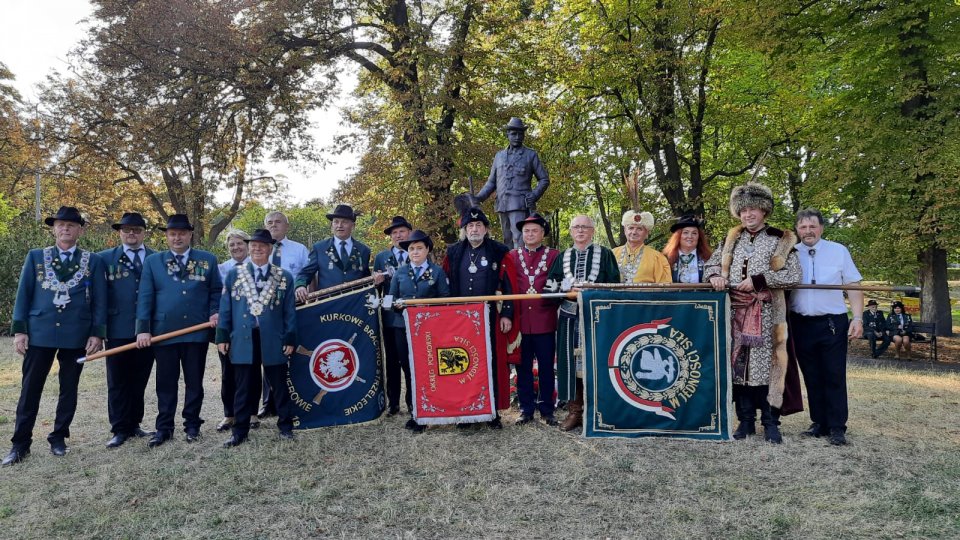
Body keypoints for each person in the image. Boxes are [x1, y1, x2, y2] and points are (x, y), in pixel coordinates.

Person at [3, 206, 107, 466]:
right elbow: (24, 294)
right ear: (53, 229)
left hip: (76, 334)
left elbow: (100, 301)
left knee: (68, 388)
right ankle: (20, 444)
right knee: (30, 389)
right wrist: (20, 330)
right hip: (40, 332)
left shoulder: (93, 261)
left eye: (71, 225)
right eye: (60, 224)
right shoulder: (37, 257)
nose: (65, 228)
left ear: (80, 230)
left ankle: (59, 437)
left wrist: (97, 333)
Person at [704, 182, 801, 444]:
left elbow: (793, 275)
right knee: (739, 367)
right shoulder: (730, 239)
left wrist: (760, 280)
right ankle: (745, 420)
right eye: (744, 210)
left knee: (767, 367)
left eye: (754, 210)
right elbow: (711, 264)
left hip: (768, 314)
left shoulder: (782, 239)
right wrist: (715, 276)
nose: (749, 215)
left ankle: (770, 422)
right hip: (734, 313)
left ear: (764, 211)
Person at [136, 214, 222, 447]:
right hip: (164, 332)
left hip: (196, 331)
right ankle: (164, 428)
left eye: (182, 233)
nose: (177, 238)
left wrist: (215, 311)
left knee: (194, 381)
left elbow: (216, 290)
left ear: (190, 235)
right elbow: (145, 297)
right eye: (173, 234)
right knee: (165, 382)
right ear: (166, 236)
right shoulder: (153, 262)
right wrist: (143, 329)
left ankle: (192, 425)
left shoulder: (207, 260)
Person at [789, 208, 864, 446]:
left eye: (812, 226)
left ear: (821, 228)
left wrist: (858, 318)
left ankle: (836, 426)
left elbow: (853, 284)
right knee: (811, 375)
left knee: (833, 375)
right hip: (801, 323)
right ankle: (819, 422)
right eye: (803, 227)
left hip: (832, 323)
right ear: (797, 229)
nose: (808, 231)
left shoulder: (838, 251)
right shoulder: (791, 253)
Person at [216, 229, 297, 447]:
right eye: (253, 245)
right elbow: (225, 307)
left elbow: (289, 311)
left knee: (279, 385)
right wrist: (222, 335)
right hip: (244, 337)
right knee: (243, 386)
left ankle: (286, 426)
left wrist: (290, 338)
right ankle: (239, 431)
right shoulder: (235, 274)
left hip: (273, 338)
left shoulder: (283, 276)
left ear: (270, 249)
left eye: (262, 245)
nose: (257, 248)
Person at [544, 215, 621, 432]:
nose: (580, 231)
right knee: (570, 362)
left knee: (599, 360)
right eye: (576, 227)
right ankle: (575, 411)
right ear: (571, 231)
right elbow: (550, 287)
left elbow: (615, 286)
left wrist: (593, 294)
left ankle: (599, 410)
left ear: (592, 231)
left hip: (598, 319)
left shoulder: (605, 255)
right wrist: (566, 294)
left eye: (585, 227)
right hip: (569, 317)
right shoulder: (562, 257)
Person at [443, 207, 514, 428]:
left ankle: (492, 412)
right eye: (470, 226)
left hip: (490, 317)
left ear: (486, 229)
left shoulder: (499, 251)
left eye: (479, 225)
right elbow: (444, 285)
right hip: (460, 319)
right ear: (465, 230)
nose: (475, 229)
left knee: (490, 362)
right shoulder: (453, 252)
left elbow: (509, 284)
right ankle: (465, 412)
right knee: (463, 362)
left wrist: (507, 314)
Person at [99, 212, 155, 449]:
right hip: (118, 328)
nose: (131, 233)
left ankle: (134, 423)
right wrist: (99, 330)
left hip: (149, 329)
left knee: (139, 378)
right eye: (126, 230)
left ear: (144, 233)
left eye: (136, 229)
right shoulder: (103, 259)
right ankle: (120, 428)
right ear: (119, 232)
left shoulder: (157, 258)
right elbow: (99, 297)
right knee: (118, 379)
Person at [386, 230, 450, 433]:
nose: (415, 252)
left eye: (419, 248)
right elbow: (390, 300)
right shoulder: (400, 272)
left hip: (429, 330)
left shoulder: (438, 272)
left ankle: (431, 408)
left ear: (427, 249)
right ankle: (414, 409)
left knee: (427, 369)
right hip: (402, 328)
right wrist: (397, 304)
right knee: (408, 368)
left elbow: (444, 300)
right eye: (411, 248)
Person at [504, 213, 560, 426]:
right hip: (521, 322)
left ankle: (547, 409)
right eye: (526, 231)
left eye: (534, 230)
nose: (530, 234)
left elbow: (559, 282)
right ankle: (526, 409)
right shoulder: (512, 255)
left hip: (544, 320)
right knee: (523, 367)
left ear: (542, 233)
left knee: (546, 366)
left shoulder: (554, 255)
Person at [258, 211, 309, 418]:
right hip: (266, 313)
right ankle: (267, 403)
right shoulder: (259, 250)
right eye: (269, 222)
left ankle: (296, 399)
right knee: (267, 355)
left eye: (278, 222)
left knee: (294, 353)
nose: (273, 225)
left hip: (294, 309)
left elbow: (308, 276)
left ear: (287, 226)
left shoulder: (299, 249)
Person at [472, 117, 550, 248]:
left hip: (520, 204)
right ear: (507, 134)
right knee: (506, 240)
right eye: (514, 133)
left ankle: (520, 267)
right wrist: (479, 198)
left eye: (521, 134)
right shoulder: (499, 156)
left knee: (519, 240)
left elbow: (544, 179)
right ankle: (508, 268)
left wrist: (534, 195)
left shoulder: (530, 155)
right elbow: (491, 182)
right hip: (502, 204)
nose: (517, 137)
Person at [215, 230, 259, 433]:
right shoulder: (221, 269)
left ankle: (251, 413)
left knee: (251, 372)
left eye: (240, 243)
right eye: (231, 245)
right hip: (229, 330)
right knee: (228, 373)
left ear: (248, 245)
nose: (236, 248)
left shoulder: (258, 267)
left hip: (254, 328)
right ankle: (229, 414)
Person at [373, 215, 414, 415]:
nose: (398, 235)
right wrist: (377, 282)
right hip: (390, 316)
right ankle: (394, 403)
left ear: (409, 234)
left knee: (410, 360)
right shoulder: (381, 257)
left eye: (402, 232)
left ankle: (413, 400)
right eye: (395, 233)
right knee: (392, 360)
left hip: (413, 315)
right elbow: (375, 289)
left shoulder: (417, 252)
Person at [295, 204, 376, 303]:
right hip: (327, 306)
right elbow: (305, 273)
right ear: (332, 225)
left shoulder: (364, 250)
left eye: (344, 222)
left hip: (355, 306)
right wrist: (300, 286)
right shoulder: (319, 248)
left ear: (353, 226)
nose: (339, 226)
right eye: (336, 222)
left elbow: (366, 279)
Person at [612, 210, 671, 284]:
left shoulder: (657, 258)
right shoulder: (612, 254)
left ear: (647, 233)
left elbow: (665, 289)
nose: (634, 232)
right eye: (631, 228)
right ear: (625, 231)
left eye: (639, 229)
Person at [663, 215, 713, 283]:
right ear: (678, 236)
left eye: (694, 233)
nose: (690, 236)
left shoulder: (708, 258)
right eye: (685, 233)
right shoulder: (666, 258)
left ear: (699, 237)